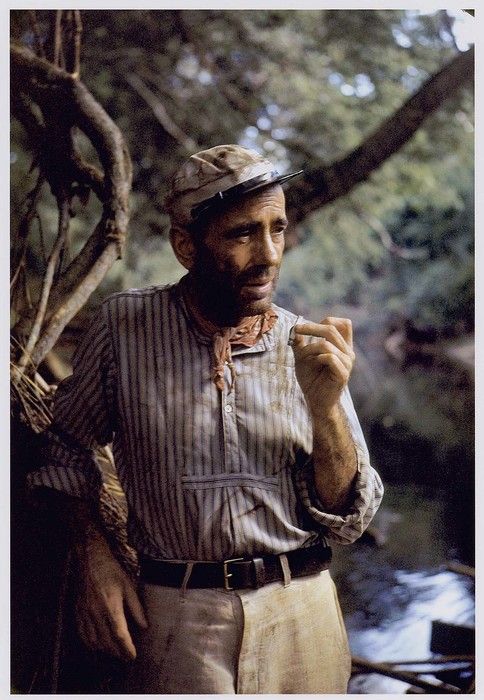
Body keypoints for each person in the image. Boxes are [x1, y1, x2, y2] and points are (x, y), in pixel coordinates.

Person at [28, 144, 384, 694]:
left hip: (303, 610)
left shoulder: (307, 345)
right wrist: (94, 559)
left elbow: (347, 516)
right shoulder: (125, 329)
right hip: (177, 618)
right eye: (242, 234)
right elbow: (63, 453)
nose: (268, 254)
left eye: (277, 228)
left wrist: (327, 406)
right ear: (186, 246)